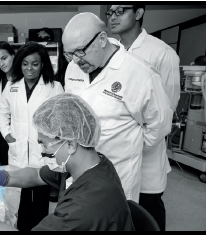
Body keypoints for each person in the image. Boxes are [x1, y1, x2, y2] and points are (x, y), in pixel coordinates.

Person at [0, 93, 135, 231]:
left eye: (45, 144)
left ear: (71, 143)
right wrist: (2, 177)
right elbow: (35, 175)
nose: (42, 151)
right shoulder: (91, 165)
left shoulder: (84, 206)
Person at [63, 13, 173, 203]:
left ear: (102, 39)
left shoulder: (140, 74)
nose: (75, 60)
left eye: (80, 52)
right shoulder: (73, 69)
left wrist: (129, 146)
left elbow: (159, 125)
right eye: (69, 54)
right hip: (80, 170)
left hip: (119, 173)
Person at [107, 5, 181, 231]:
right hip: (115, 150)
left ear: (138, 13)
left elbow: (166, 109)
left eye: (120, 11)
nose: (112, 17)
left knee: (148, 212)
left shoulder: (161, 53)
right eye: (109, 13)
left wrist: (138, 143)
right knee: (118, 210)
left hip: (147, 151)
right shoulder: (110, 51)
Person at [0, 41, 64, 231]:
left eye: (34, 64)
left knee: (42, 193)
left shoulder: (54, 87)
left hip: (42, 149)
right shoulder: (12, 86)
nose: (29, 68)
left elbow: (60, 118)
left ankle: (40, 229)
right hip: (18, 148)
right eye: (25, 63)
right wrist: (8, 135)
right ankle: (23, 228)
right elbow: (3, 113)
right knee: (20, 194)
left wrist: (52, 143)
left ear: (43, 64)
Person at [0, 41, 16, 166]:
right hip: (2, 133)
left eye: (4, 58)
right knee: (5, 169)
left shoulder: (23, 79)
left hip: (18, 130)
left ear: (13, 55)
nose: (1, 64)